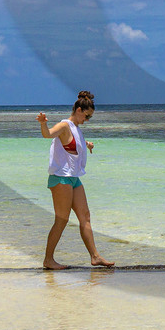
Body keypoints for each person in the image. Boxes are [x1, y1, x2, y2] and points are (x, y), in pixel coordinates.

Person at [36, 91, 113, 269]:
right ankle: (48, 260)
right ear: (79, 110)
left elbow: (72, 144)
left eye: (90, 117)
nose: (87, 120)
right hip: (61, 178)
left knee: (85, 216)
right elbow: (48, 134)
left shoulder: (77, 129)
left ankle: (95, 257)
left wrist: (87, 144)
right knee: (62, 220)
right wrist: (43, 123)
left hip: (74, 178)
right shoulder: (64, 125)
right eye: (87, 116)